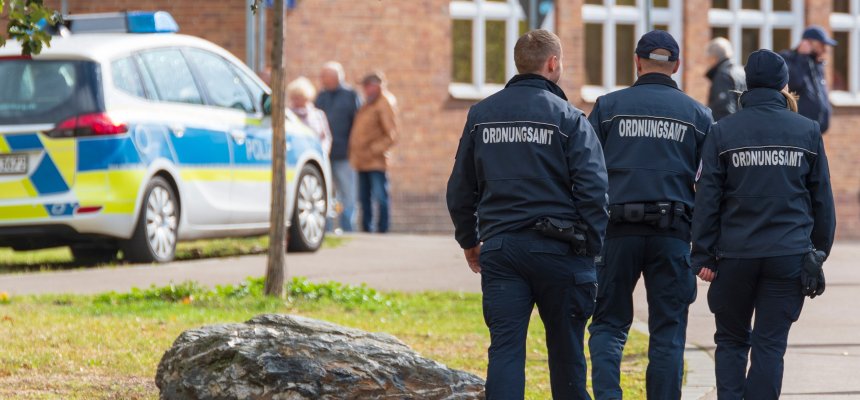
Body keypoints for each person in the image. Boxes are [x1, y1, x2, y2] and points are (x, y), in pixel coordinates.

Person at [447, 29, 608, 399]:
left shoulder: (481, 115)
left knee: (505, 349)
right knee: (567, 353)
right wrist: (590, 246)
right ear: (553, 63)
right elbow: (594, 190)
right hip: (561, 252)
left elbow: (460, 188)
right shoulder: (569, 118)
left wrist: (470, 240)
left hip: (502, 251)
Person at [692, 49, 836, 400]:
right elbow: (822, 201)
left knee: (731, 340)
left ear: (748, 85)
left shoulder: (722, 132)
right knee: (770, 344)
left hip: (734, 256)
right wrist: (817, 253)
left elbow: (708, 198)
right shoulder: (807, 131)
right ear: (784, 84)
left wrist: (704, 254)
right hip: (788, 256)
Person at [586, 30, 713, 400]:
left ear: (637, 63)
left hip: (616, 232)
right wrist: (706, 246)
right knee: (668, 331)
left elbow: (586, 172)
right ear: (677, 65)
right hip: (672, 234)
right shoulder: (698, 116)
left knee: (608, 324)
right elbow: (710, 186)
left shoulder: (607, 108)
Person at [315, 61, 361, 232]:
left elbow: (359, 124)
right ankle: (326, 229)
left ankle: (348, 229)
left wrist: (354, 148)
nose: (321, 79)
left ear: (335, 77)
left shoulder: (350, 95)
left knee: (348, 194)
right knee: (326, 192)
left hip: (345, 154)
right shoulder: (321, 96)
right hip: (325, 154)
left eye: (324, 76)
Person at [349, 72, 398, 233]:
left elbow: (391, 135)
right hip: (362, 160)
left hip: (375, 160)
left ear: (375, 86)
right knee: (364, 197)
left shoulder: (384, 103)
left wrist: (373, 150)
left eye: (367, 86)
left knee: (380, 196)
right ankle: (367, 229)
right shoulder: (369, 103)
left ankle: (382, 229)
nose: (365, 90)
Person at [779, 26, 838, 134]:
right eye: (822, 44)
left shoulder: (816, 63)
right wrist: (803, 56)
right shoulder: (789, 59)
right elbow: (795, 83)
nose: (825, 49)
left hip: (816, 131)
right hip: (797, 131)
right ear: (809, 43)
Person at [287, 76, 332, 154]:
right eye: (293, 98)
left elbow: (326, 137)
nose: (295, 101)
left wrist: (323, 151)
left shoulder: (318, 115)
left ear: (306, 97)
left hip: (316, 154)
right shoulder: (288, 114)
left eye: (298, 97)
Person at [706, 37, 746, 121]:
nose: (707, 63)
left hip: (731, 126)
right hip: (745, 123)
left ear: (714, 58)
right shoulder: (742, 72)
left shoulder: (723, 75)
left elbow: (723, 110)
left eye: (708, 59)